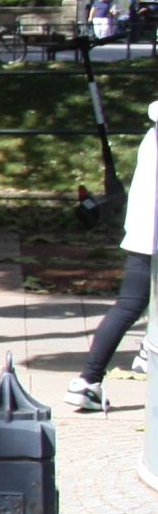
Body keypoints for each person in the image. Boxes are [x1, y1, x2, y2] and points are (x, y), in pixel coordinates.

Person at [71, 99, 158, 411]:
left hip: (142, 232)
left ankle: (88, 380)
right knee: (131, 305)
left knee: (127, 306)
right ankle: (149, 348)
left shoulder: (153, 133)